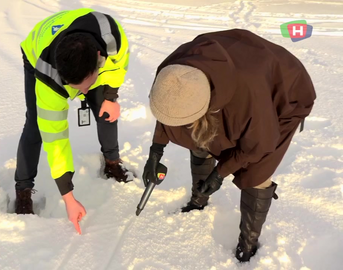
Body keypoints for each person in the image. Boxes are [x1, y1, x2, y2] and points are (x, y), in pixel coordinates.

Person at [142, 29, 316, 262]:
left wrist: (220, 173)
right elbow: (169, 110)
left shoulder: (252, 98)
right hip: (231, 73)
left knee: (256, 172)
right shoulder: (172, 75)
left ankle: (248, 243)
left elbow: (258, 145)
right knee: (198, 138)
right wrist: (156, 151)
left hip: (283, 93)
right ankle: (199, 198)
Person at [16, 8, 131, 234]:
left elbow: (119, 65)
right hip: (37, 50)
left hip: (83, 38)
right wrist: (68, 197)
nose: (82, 93)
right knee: (36, 126)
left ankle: (112, 163)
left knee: (105, 110)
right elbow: (55, 137)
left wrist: (110, 96)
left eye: (86, 85)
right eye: (75, 88)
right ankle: (23, 190)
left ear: (99, 60)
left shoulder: (112, 38)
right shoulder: (48, 74)